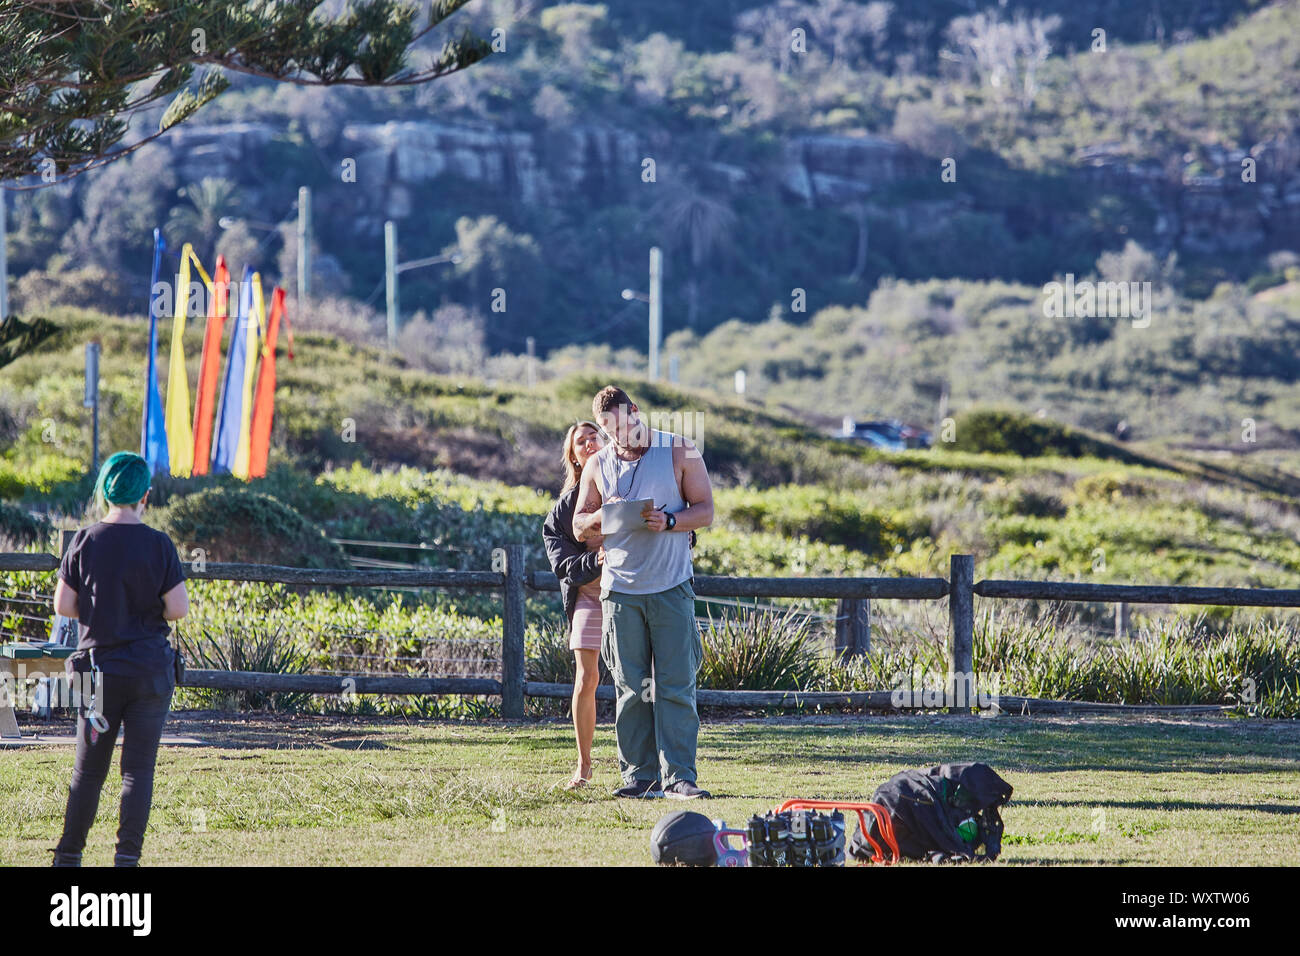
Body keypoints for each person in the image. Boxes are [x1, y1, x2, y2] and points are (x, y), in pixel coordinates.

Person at [572, 385, 714, 799]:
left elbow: (705, 509)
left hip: (671, 587)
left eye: (621, 424)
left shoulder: (679, 450)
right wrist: (603, 514)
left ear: (635, 411)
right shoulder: (598, 464)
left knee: (675, 684)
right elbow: (579, 527)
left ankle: (680, 778)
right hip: (620, 592)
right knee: (630, 687)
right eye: (607, 429)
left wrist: (670, 521)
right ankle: (640, 776)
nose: (618, 435)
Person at [50, 452, 189, 867]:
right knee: (138, 770)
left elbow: (64, 604)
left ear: (106, 492)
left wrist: (103, 608)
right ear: (145, 495)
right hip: (149, 673)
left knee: (88, 772)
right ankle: (127, 858)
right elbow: (177, 608)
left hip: (97, 675)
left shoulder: (84, 541)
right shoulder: (159, 544)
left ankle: (69, 854)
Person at [541, 421, 607, 789]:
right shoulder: (562, 512)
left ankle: (653, 766)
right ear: (574, 457)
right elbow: (563, 566)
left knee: (646, 678)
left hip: (632, 593)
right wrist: (596, 562)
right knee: (587, 678)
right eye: (580, 442)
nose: (589, 443)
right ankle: (583, 766)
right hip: (589, 597)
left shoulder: (628, 481)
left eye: (594, 435)